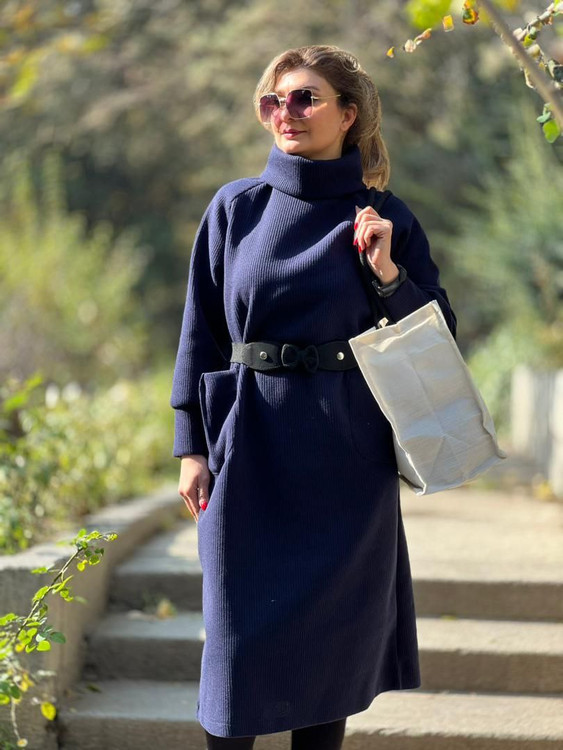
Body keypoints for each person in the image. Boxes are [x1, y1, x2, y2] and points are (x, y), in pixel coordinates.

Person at [170, 44, 456, 750]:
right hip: (248, 444)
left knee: (329, 652)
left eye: (305, 98)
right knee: (234, 644)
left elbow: (437, 335)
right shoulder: (236, 208)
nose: (285, 112)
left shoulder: (384, 216)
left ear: (348, 114)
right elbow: (200, 332)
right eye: (274, 100)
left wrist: (387, 274)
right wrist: (191, 446)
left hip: (346, 452)